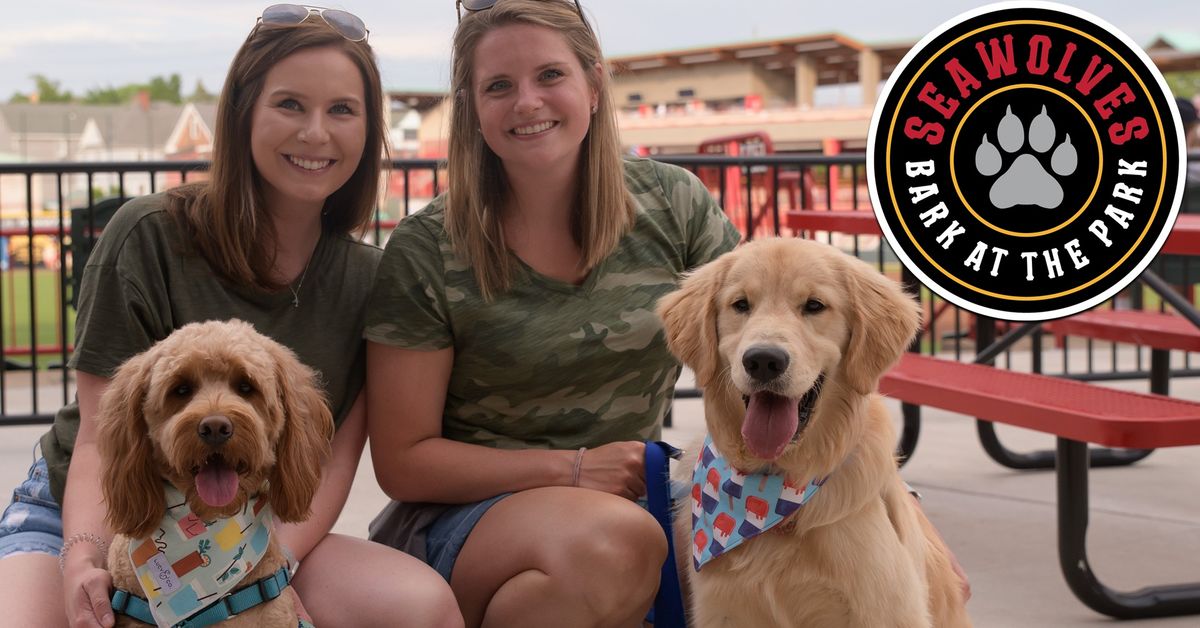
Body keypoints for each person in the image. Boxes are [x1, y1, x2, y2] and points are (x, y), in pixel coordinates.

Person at [0, 6, 462, 628]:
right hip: (89, 510)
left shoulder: (370, 279)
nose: (315, 132)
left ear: (368, 128)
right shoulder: (147, 234)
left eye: (342, 110)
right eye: (290, 105)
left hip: (255, 524)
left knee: (421, 608)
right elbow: (96, 439)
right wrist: (84, 556)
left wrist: (262, 577)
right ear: (243, 112)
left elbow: (331, 464)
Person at [363, 1, 741, 625]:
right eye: (498, 87)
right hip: (461, 520)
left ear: (593, 86)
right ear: (473, 111)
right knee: (620, 544)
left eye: (549, 76)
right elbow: (404, 461)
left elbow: (769, 341)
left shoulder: (673, 205)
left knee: (828, 547)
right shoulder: (426, 248)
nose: (527, 102)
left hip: (620, 506)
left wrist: (884, 503)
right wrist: (573, 470)